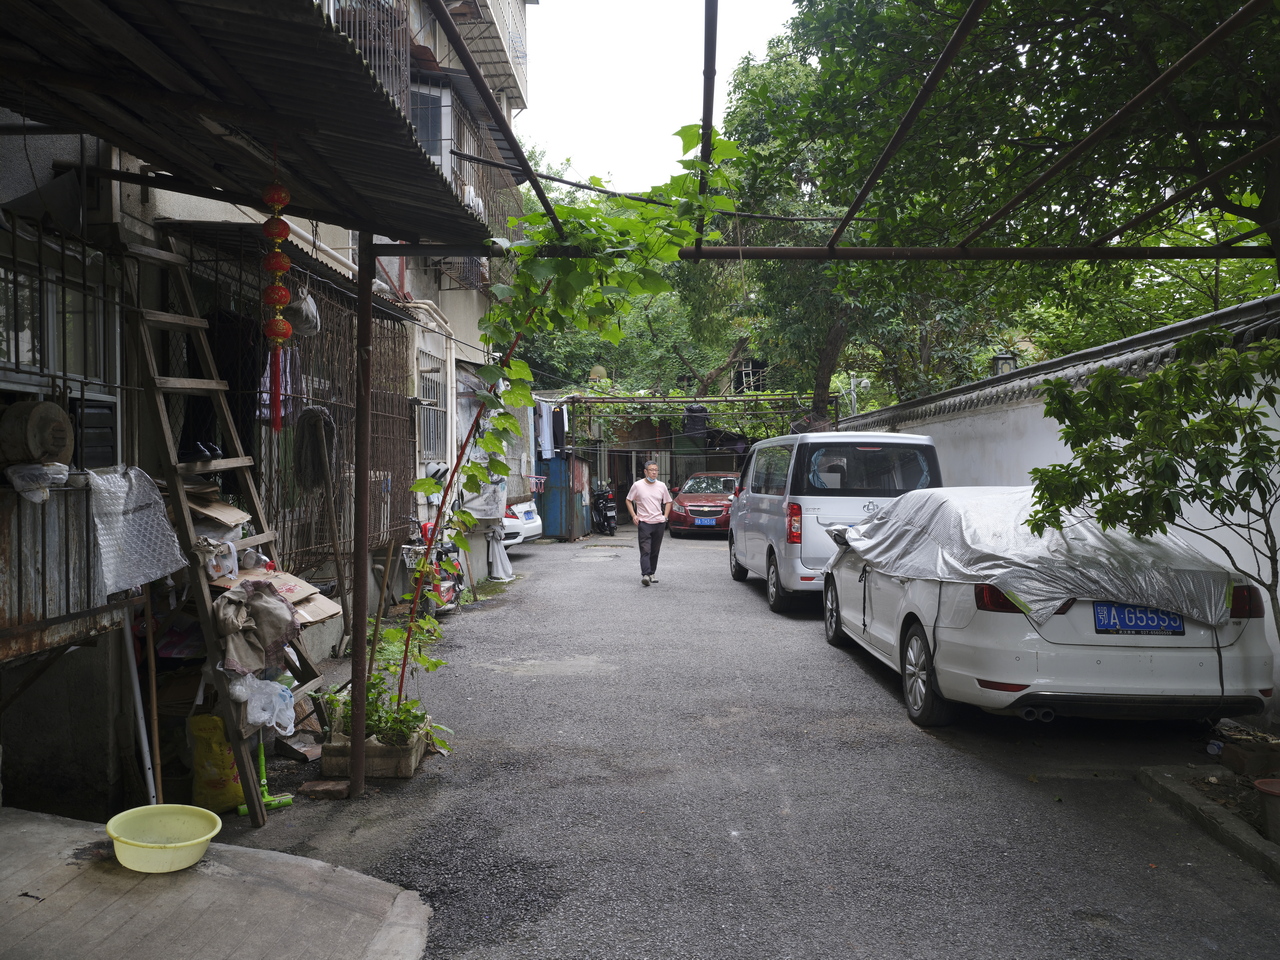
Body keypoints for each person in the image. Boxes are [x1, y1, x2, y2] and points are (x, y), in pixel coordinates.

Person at [626, 460, 672, 587]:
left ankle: (652, 573)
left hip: (659, 522)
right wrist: (634, 516)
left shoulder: (661, 486)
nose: (654, 472)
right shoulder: (637, 485)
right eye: (651, 470)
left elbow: (668, 501)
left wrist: (665, 516)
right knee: (645, 549)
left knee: (655, 550)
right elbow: (628, 500)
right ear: (645, 471)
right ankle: (645, 574)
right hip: (644, 522)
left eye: (656, 470)